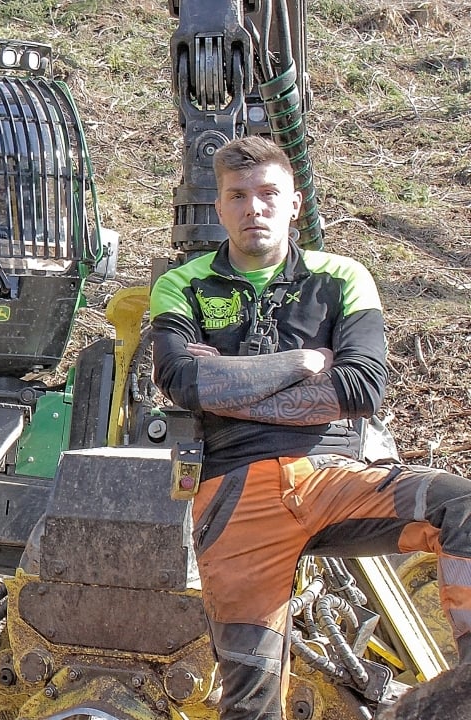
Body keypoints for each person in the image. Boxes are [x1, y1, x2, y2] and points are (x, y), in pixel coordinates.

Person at [149, 134, 471, 720]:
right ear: (219, 208)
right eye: (238, 196)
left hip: (335, 477)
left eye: (269, 193)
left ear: (295, 203)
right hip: (234, 494)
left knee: (462, 506)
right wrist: (299, 366)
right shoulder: (182, 284)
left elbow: (362, 388)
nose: (254, 208)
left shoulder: (342, 277)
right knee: (250, 702)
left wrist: (229, 382)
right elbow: (183, 383)